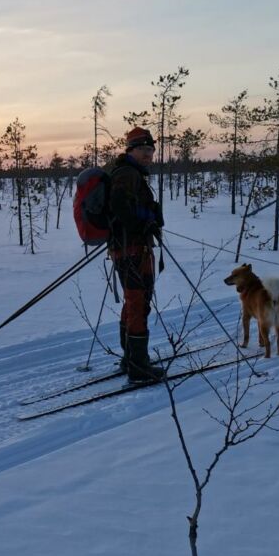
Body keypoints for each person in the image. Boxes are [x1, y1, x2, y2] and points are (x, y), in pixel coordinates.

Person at [109, 126, 165, 382]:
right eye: (144, 150)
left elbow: (130, 208)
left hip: (132, 248)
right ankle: (138, 367)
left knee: (135, 302)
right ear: (131, 150)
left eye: (151, 150)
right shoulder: (127, 174)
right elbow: (120, 207)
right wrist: (142, 223)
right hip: (132, 249)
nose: (149, 155)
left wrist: (150, 217)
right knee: (138, 302)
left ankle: (130, 358)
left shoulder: (131, 174)